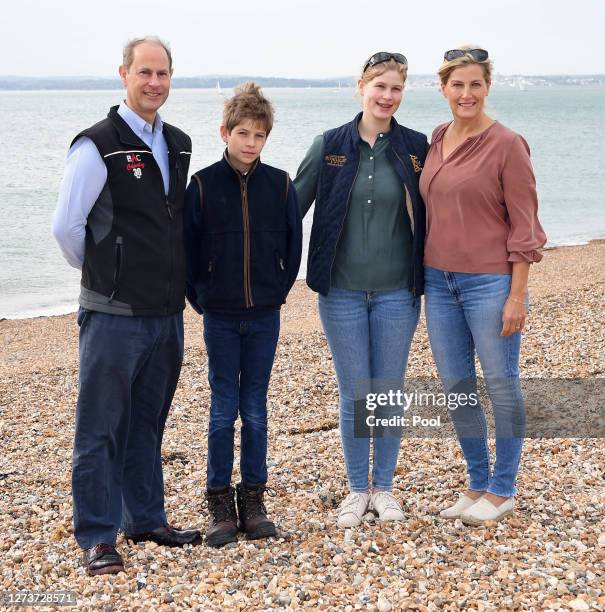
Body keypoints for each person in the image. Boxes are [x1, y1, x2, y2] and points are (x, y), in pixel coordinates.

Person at [52, 36, 200, 576]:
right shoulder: (96, 144)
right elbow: (66, 229)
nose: (154, 83)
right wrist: (105, 277)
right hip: (113, 316)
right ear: (124, 74)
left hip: (166, 315)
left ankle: (145, 519)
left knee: (148, 423)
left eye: (162, 73)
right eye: (144, 73)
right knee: (100, 428)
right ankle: (95, 535)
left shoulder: (178, 143)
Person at [294, 52, 428, 528]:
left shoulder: (416, 147)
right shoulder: (329, 144)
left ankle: (385, 487)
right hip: (342, 293)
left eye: (395, 88)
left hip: (398, 293)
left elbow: (443, 209)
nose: (387, 96)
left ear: (402, 92)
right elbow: (290, 209)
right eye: (379, 87)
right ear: (361, 87)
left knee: (387, 392)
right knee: (354, 391)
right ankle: (356, 488)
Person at [420, 46, 547, 525]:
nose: (466, 93)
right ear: (444, 88)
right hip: (438, 280)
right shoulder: (437, 138)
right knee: (457, 387)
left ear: (487, 87)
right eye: (457, 85)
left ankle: (503, 488)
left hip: (491, 284)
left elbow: (525, 227)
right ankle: (476, 482)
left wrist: (516, 295)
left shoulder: (508, 144)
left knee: (501, 383)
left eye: (475, 84)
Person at [184, 83, 302, 547]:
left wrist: (276, 288)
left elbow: (293, 246)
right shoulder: (202, 185)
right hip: (220, 315)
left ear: (267, 139)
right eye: (243, 133)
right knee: (221, 409)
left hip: (265, 315)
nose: (251, 142)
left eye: (259, 135)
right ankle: (218, 499)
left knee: (254, 408)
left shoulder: (281, 184)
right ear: (225, 133)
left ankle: (252, 498)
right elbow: (188, 251)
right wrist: (205, 297)